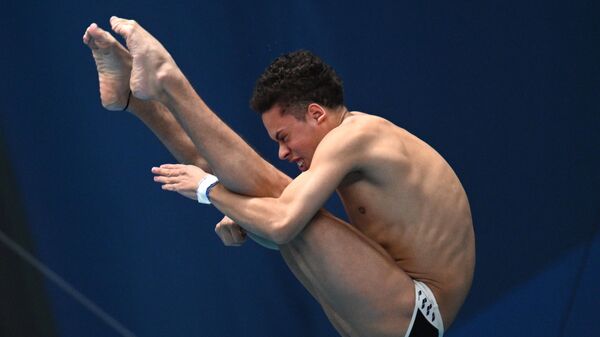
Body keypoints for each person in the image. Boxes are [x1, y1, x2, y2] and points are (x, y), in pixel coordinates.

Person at [83, 16, 475, 337]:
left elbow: (283, 224)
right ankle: (139, 101)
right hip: (399, 313)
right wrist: (241, 212)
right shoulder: (348, 143)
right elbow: (279, 226)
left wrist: (210, 192)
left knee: (269, 197)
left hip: (419, 311)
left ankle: (167, 81)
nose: (283, 152)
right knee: (263, 195)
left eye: (284, 137)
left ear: (317, 113)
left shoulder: (356, 136)